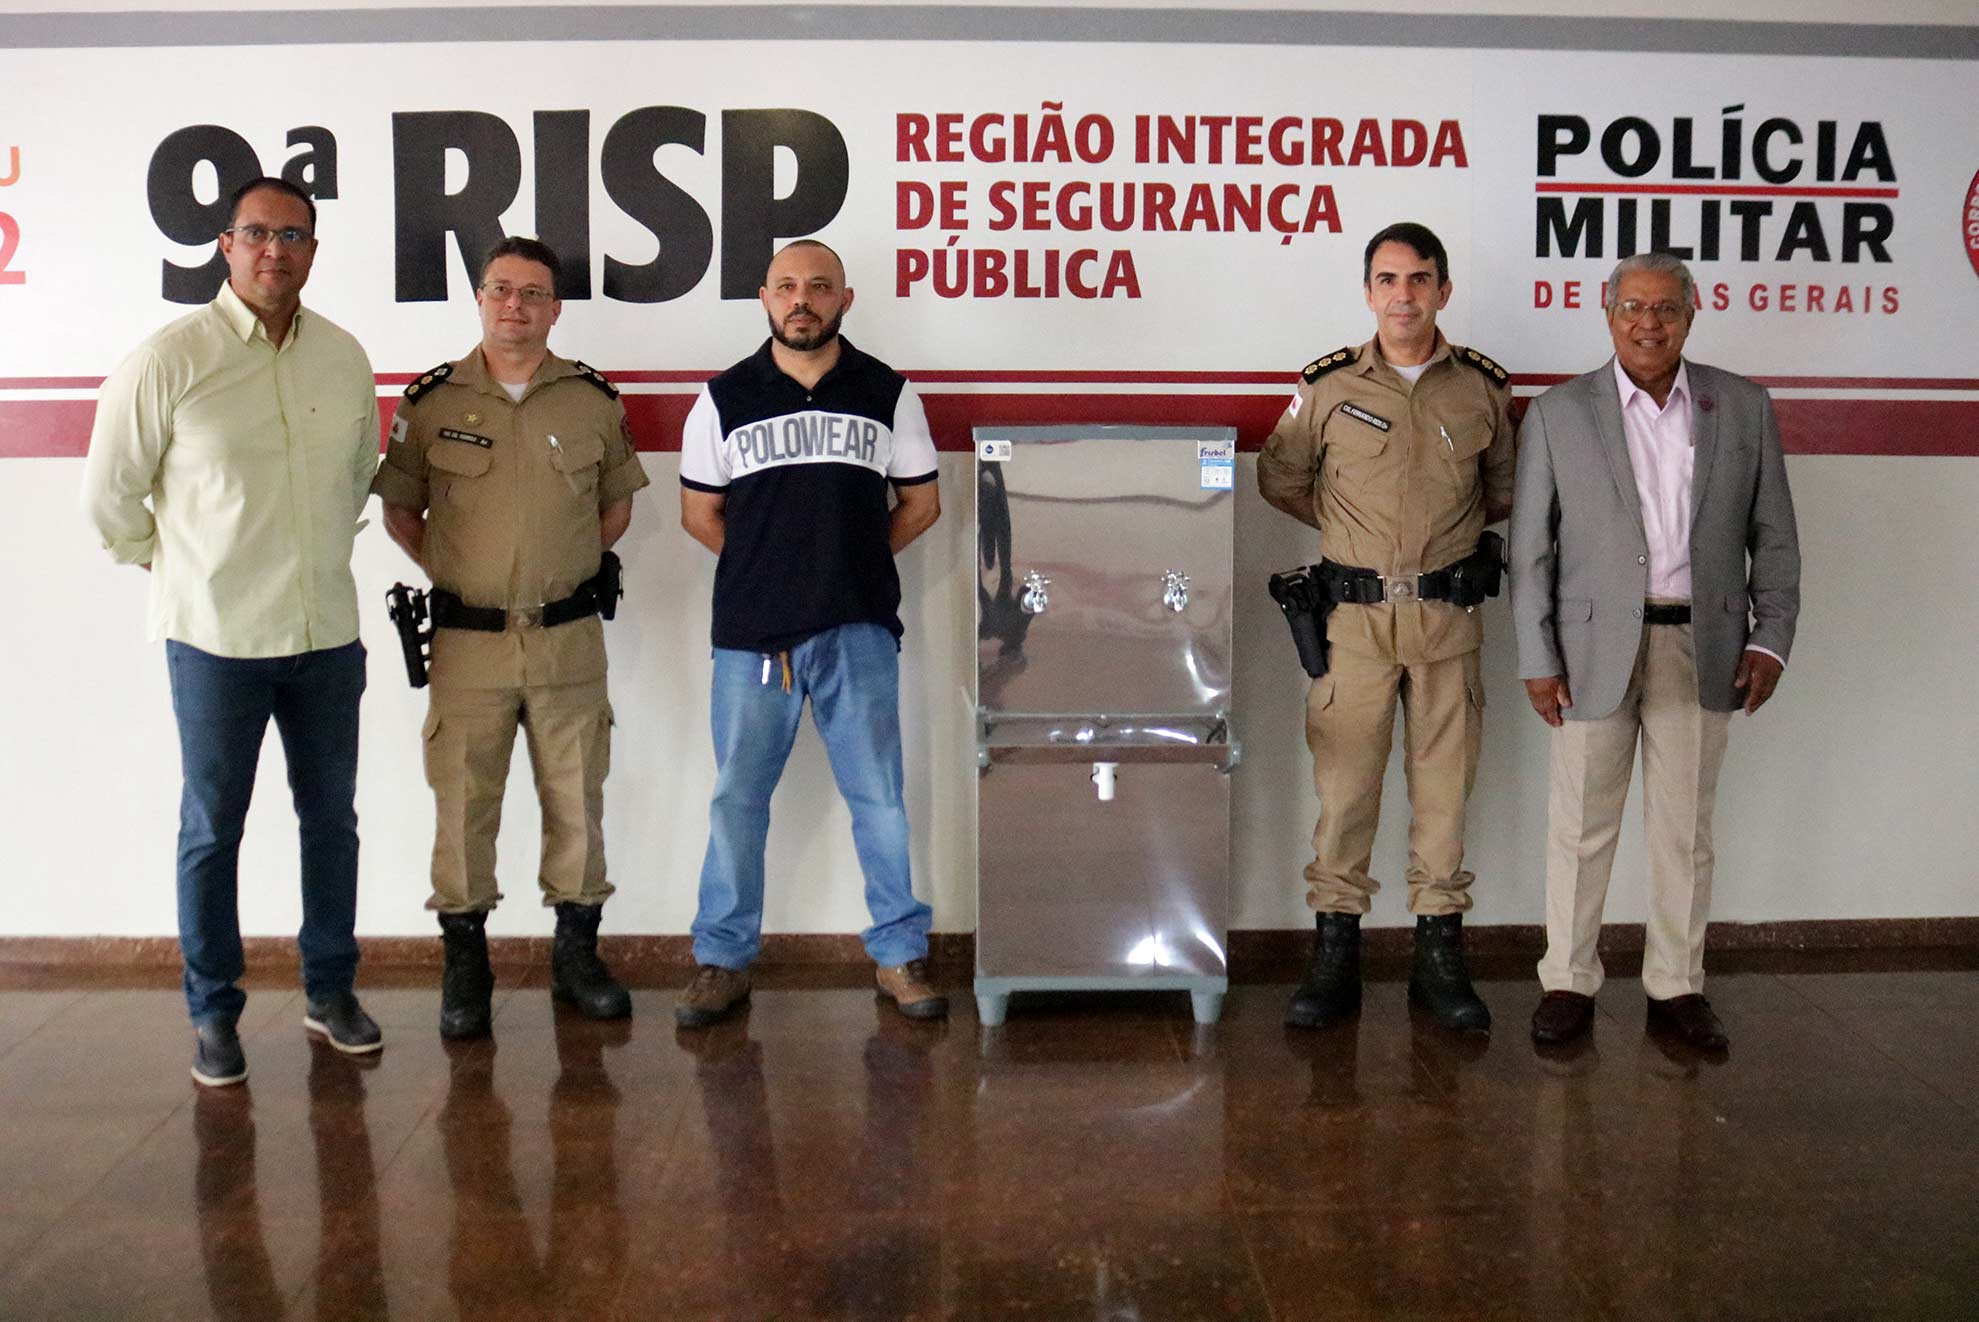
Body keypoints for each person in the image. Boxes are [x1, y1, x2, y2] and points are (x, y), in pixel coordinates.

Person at [81, 176, 383, 1086]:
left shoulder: (343, 358)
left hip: (326, 635)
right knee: (213, 829)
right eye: (256, 233)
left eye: (292, 236)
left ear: (313, 252)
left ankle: (330, 991)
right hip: (215, 643)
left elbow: (356, 477)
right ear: (225, 244)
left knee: (331, 821)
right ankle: (213, 1012)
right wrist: (178, 569)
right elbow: (110, 498)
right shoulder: (168, 361)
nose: (273, 251)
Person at [1509, 251, 1801, 1051]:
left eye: (1665, 308)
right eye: (1632, 307)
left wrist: (1770, 639)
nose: (1649, 323)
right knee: (1580, 827)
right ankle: (1567, 981)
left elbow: (1773, 536)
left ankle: (1675, 986)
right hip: (1586, 651)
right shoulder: (1558, 412)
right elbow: (1529, 551)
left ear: (1690, 314)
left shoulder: (1740, 406)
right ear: (1607, 314)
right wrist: (1536, 657)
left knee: (1682, 831)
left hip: (1701, 644)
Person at [373, 236, 650, 1038]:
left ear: (554, 309)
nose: (515, 306)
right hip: (469, 643)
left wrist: (563, 571)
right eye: (500, 289)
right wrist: (459, 574)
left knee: (577, 800)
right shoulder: (431, 403)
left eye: (532, 293)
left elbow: (616, 506)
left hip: (567, 637)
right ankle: (466, 965)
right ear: (480, 298)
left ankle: (576, 957)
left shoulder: (591, 401)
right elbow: (401, 508)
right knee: (463, 804)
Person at [674, 239, 946, 1027]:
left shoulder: (887, 392)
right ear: (764, 298)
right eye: (787, 286)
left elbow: (921, 504)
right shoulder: (722, 397)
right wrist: (775, 574)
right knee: (737, 802)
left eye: (819, 287)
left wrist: (848, 568)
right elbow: (698, 514)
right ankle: (722, 961)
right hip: (752, 637)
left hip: (857, 630)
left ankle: (899, 956)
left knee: (879, 799)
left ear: (844, 300)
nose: (802, 300)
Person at [1258, 221, 1517, 1034]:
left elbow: (1502, 490)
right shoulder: (1328, 386)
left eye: (1418, 279)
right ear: (1367, 292)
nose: (1402, 295)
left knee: (1443, 800)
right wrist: (1353, 539)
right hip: (1354, 626)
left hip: (1445, 622)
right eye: (1387, 279)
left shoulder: (1480, 390)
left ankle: (1438, 961)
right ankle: (1334, 956)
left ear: (1442, 290)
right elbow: (1280, 477)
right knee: (1344, 796)